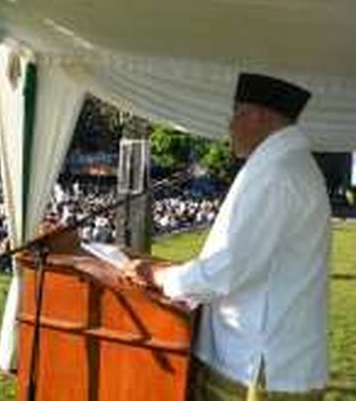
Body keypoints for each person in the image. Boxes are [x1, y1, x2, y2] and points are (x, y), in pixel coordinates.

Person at [128, 73, 330, 400]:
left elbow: (229, 267)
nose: (229, 126)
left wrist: (161, 275)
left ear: (259, 115)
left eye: (236, 114)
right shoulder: (281, 165)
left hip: (259, 359)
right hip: (266, 352)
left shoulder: (277, 175)